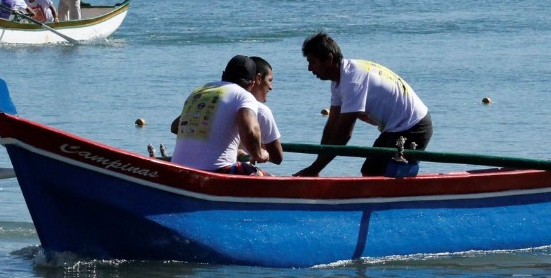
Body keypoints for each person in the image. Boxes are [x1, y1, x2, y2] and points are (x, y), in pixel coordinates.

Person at [295, 31, 432, 177]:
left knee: (386, 175)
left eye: (312, 62)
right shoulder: (338, 81)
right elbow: (331, 126)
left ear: (329, 59)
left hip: (415, 126)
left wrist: (315, 168)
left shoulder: (353, 80)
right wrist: (317, 164)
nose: (309, 68)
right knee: (370, 171)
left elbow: (343, 135)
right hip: (396, 128)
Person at [170, 55, 270, 175]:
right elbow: (251, 131)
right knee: (266, 176)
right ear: (253, 82)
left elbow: (175, 127)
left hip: (177, 168)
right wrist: (260, 154)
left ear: (223, 75)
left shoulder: (200, 91)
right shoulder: (244, 96)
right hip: (218, 171)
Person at [247, 56, 283, 165]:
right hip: (238, 171)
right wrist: (263, 150)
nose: (271, 87)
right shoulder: (262, 111)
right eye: (269, 80)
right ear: (258, 79)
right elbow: (277, 158)